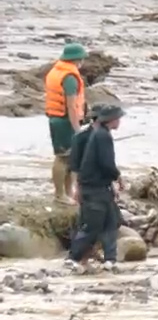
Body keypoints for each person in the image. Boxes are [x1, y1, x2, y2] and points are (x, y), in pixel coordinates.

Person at [65, 104, 123, 270]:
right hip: (95, 187)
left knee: (111, 222)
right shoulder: (99, 136)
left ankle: (110, 259)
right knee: (91, 225)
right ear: (110, 120)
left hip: (99, 186)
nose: (120, 121)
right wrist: (117, 177)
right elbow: (105, 164)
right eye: (118, 118)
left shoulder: (98, 134)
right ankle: (74, 257)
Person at [44, 42, 88, 206]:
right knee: (63, 157)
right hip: (64, 120)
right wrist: (77, 129)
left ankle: (67, 194)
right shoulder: (69, 77)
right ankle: (60, 195)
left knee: (70, 158)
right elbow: (71, 105)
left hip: (57, 117)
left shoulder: (56, 71)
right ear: (77, 59)